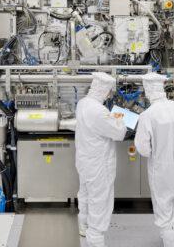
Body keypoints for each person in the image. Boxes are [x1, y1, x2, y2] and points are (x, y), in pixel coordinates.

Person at [134, 73, 174, 247]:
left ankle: (171, 242)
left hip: (161, 167)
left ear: (148, 90)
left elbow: (143, 149)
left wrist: (158, 149)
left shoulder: (148, 115)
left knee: (164, 209)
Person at [75, 72, 127, 247]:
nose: (109, 96)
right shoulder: (98, 110)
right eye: (109, 92)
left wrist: (113, 117)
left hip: (84, 161)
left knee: (85, 194)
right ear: (104, 91)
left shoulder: (83, 103)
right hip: (98, 164)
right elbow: (119, 133)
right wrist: (122, 117)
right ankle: (95, 239)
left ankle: (83, 227)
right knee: (100, 201)